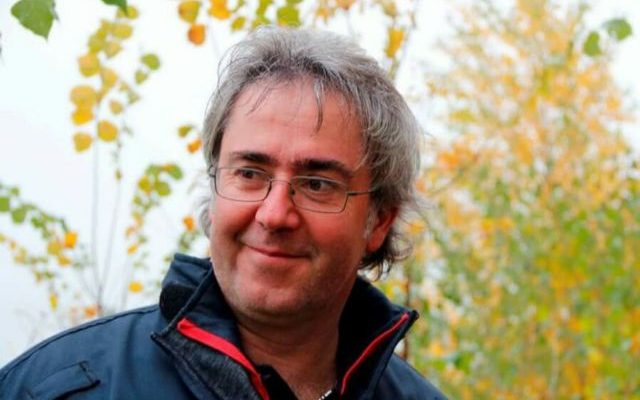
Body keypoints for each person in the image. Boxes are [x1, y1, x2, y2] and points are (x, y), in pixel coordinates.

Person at [0, 27, 447, 399]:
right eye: (249, 173)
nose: (274, 214)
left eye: (316, 184)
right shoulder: (50, 390)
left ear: (379, 220)